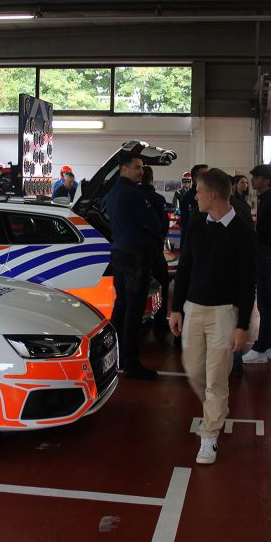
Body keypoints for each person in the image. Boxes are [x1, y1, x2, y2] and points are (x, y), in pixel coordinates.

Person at [169, 168, 256, 465]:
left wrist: (242, 325)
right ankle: (217, 407)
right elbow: (185, 268)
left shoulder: (243, 231)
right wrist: (177, 307)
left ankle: (210, 434)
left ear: (213, 195)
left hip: (224, 313)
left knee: (216, 377)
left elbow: (248, 282)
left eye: (199, 191)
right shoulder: (196, 223)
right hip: (193, 308)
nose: (195, 195)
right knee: (194, 370)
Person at [102, 153, 165, 380]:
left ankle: (112, 356)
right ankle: (130, 362)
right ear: (124, 169)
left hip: (119, 254)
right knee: (134, 310)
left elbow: (107, 216)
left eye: (141, 167)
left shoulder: (111, 194)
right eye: (137, 167)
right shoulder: (134, 195)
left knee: (121, 306)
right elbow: (155, 224)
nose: (140, 171)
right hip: (136, 258)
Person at [242, 164, 271, 364]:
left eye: (256, 177)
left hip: (266, 253)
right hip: (269, 252)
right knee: (268, 301)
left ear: (266, 181)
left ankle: (261, 347)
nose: (252, 180)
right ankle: (269, 345)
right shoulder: (267, 200)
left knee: (265, 302)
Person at [141, 166, 171, 334]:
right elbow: (164, 227)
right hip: (156, 251)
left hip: (136, 253)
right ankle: (160, 322)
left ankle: (141, 319)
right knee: (162, 285)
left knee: (139, 289)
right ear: (152, 179)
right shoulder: (159, 199)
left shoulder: (132, 197)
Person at [178, 164, 208, 245]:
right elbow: (186, 225)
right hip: (192, 242)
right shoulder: (187, 197)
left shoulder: (210, 196)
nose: (208, 178)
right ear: (195, 178)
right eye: (204, 175)